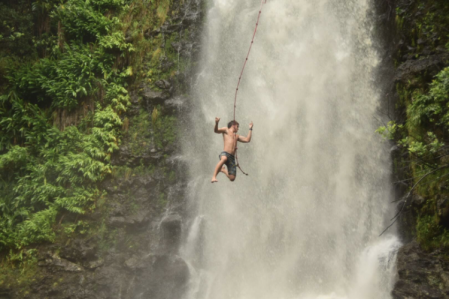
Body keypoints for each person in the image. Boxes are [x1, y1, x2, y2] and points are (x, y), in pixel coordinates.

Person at [211, 117, 253, 183]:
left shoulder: (237, 136)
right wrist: (216, 123)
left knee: (232, 178)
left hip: (232, 157)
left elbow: (247, 139)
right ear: (233, 125)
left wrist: (250, 128)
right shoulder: (226, 130)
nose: (238, 128)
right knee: (224, 158)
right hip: (225, 153)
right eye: (237, 126)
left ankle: (223, 170)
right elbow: (216, 131)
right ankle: (214, 176)